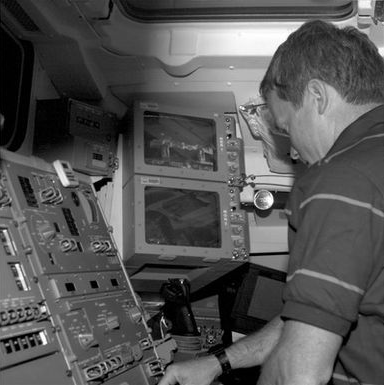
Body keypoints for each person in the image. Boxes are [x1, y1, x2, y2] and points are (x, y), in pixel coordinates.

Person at [158, 20, 384, 385]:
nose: (293, 149)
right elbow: (312, 321)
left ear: (317, 97)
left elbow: (300, 372)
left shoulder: (342, 178)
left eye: (288, 126)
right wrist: (219, 363)